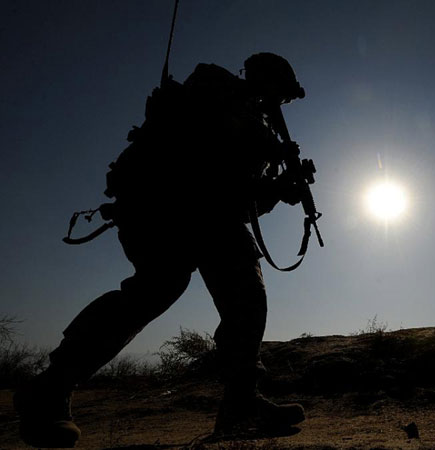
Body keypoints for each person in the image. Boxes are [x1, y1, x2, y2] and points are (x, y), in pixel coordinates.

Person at [14, 52, 308, 448]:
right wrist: (267, 156)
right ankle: (50, 389)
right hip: (161, 206)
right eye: (282, 94)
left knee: (246, 296)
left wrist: (278, 189)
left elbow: (238, 198)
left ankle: (241, 402)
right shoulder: (214, 89)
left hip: (210, 215)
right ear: (266, 78)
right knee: (157, 288)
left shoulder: (254, 125)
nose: (282, 105)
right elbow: (204, 160)